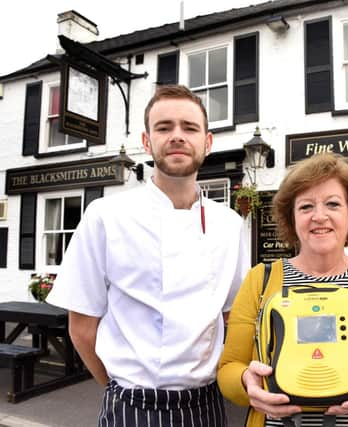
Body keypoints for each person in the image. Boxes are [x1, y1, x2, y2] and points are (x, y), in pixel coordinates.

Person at [47, 85, 249, 426]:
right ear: (146, 141)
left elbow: (231, 317)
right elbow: (81, 327)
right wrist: (116, 388)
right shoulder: (106, 216)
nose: (177, 136)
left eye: (189, 127)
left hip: (207, 405)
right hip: (131, 404)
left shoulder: (229, 224)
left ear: (208, 142)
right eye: (164, 127)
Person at [218, 153, 348, 427]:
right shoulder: (260, 281)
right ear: (291, 218)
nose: (319, 216)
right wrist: (246, 383)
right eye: (305, 207)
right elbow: (229, 369)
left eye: (333, 204)